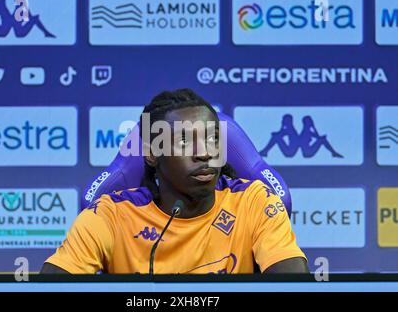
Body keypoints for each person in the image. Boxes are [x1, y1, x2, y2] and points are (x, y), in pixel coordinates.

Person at [41, 89, 308, 274]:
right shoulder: (110, 216)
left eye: (213, 138)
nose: (204, 152)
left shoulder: (255, 202)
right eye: (183, 141)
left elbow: (293, 283)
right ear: (152, 154)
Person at [82, 112, 293, 215]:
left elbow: (280, 197)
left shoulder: (226, 132)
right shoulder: (147, 134)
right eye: (183, 142)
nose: (201, 153)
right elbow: (91, 199)